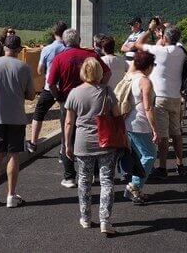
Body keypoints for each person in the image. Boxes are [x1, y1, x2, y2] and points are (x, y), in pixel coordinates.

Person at [48, 28, 111, 188]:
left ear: (64, 42)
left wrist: (59, 97)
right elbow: (107, 72)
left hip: (68, 101)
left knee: (68, 137)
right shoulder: (91, 55)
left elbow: (51, 83)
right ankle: (96, 174)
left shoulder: (59, 58)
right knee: (94, 135)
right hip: (91, 99)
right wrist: (100, 87)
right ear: (79, 40)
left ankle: (69, 177)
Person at [0, 34, 36, 208]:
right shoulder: (24, 68)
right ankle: (11, 195)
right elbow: (32, 95)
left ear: (4, 47)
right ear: (19, 50)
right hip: (17, 118)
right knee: (14, 156)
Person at [64, 58, 120, 235]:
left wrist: (67, 145)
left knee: (84, 181)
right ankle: (105, 220)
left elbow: (68, 123)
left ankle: (86, 218)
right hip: (106, 143)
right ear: (99, 72)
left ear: (83, 73)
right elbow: (117, 115)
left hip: (82, 143)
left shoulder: (74, 93)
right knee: (106, 181)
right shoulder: (107, 92)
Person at [132, 25, 186, 176]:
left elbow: (138, 44)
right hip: (176, 96)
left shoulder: (159, 51)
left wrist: (150, 30)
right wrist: (163, 36)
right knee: (176, 133)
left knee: (163, 136)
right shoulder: (181, 51)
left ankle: (162, 168)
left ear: (165, 38)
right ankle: (180, 164)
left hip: (161, 97)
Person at [124, 50, 159, 204]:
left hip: (128, 121)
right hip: (140, 122)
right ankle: (134, 185)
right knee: (149, 155)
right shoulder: (145, 81)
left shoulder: (129, 76)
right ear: (149, 66)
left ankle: (137, 191)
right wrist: (155, 129)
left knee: (139, 157)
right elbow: (148, 107)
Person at [27, 21, 68, 154]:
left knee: (39, 113)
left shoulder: (47, 49)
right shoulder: (69, 48)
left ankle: (33, 143)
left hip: (50, 87)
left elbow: (40, 70)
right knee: (66, 117)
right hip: (66, 87)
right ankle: (65, 147)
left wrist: (46, 74)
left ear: (54, 33)